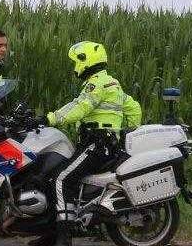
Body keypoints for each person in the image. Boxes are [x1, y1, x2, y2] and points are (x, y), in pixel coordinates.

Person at [36, 41, 142, 246]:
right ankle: (51, 233)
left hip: (96, 144)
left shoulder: (96, 84)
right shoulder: (113, 83)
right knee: (57, 175)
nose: (74, 66)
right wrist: (126, 130)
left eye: (75, 61)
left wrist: (49, 118)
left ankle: (63, 239)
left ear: (86, 61)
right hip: (105, 144)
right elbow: (134, 109)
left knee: (60, 179)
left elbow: (79, 108)